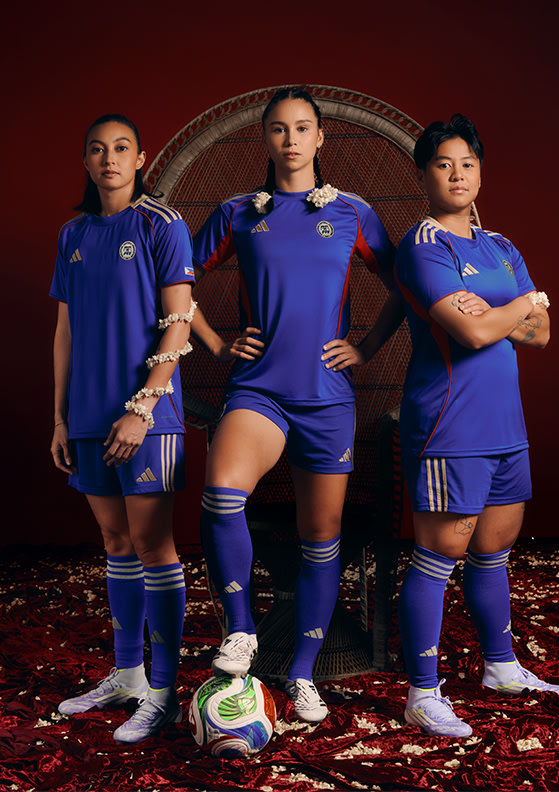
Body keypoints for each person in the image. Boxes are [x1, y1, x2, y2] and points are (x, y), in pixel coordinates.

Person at [189, 86, 403, 722]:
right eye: (278, 130)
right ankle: (241, 629)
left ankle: (304, 675)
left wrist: (364, 349)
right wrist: (215, 342)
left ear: (319, 139)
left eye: (302, 128)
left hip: (326, 399)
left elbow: (405, 287)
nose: (290, 140)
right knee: (222, 492)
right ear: (266, 139)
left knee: (321, 537)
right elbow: (173, 279)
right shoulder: (237, 213)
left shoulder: (354, 213)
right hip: (259, 390)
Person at [394, 113, 559, 738]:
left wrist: (505, 313)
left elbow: (541, 337)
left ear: (480, 169)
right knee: (440, 551)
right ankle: (422, 692)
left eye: (467, 162)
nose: (458, 173)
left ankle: (501, 666)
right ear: (424, 174)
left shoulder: (499, 247)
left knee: (493, 549)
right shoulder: (422, 246)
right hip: (449, 425)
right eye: (444, 164)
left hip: (505, 425)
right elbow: (472, 333)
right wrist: (521, 303)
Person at [50, 113, 197, 744]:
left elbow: (180, 322)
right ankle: (130, 674)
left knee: (151, 543)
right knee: (114, 544)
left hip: (148, 418)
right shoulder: (74, 232)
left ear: (140, 159)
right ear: (85, 162)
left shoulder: (161, 225)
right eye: (96, 150)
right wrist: (59, 416)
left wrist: (142, 407)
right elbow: (65, 332)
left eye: (121, 149)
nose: (108, 159)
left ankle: (162, 691)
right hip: (87, 415)